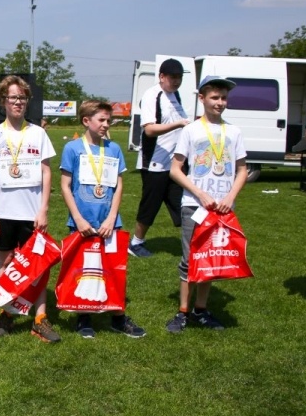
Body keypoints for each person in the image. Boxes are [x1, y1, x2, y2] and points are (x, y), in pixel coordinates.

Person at [0, 75, 59, 342]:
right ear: (3, 101)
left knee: (38, 265)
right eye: (13, 97)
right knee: (4, 261)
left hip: (32, 212)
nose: (18, 102)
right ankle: (7, 312)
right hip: (4, 211)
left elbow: (46, 172)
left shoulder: (38, 133)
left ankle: (40, 318)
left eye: (22, 98)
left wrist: (43, 209)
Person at [166, 76, 247, 333]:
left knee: (211, 259)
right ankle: (182, 312)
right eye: (214, 97)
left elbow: (242, 170)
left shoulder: (234, 132)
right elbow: (175, 169)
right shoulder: (191, 130)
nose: (220, 102)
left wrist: (230, 197)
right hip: (195, 206)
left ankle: (201, 310)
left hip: (222, 208)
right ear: (202, 98)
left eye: (223, 98)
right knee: (190, 259)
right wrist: (199, 193)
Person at [60, 100, 146, 339]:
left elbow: (118, 186)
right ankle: (83, 317)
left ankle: (118, 317)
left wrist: (111, 218)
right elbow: (65, 186)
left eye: (109, 120)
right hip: (81, 223)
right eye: (101, 120)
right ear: (86, 121)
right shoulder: (72, 148)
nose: (106, 124)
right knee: (82, 270)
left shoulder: (114, 149)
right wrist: (78, 218)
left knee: (113, 270)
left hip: (110, 223)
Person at [130, 57, 190, 257]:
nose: (177, 81)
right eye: (173, 77)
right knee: (151, 204)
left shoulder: (175, 95)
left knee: (184, 202)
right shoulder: (152, 95)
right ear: (161, 76)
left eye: (179, 77)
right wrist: (178, 124)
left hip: (174, 163)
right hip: (154, 162)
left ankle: (193, 243)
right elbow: (149, 130)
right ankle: (136, 243)